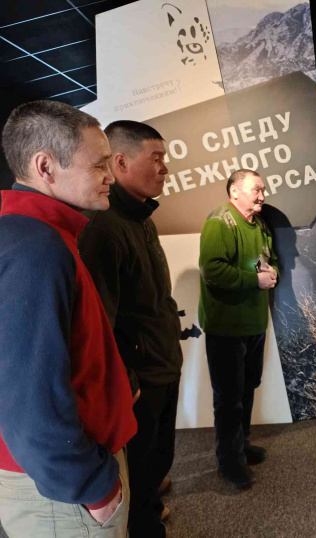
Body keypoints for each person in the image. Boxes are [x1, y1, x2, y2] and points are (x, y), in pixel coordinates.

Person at [0, 101, 137, 536]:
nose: (111, 176)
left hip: (67, 477)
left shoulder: (36, 234)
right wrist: (94, 487)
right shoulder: (34, 248)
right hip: (66, 494)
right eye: (98, 164)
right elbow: (27, 397)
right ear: (45, 166)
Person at [79, 121, 183, 538]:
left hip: (161, 362)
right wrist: (129, 378)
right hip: (141, 377)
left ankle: (150, 510)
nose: (165, 168)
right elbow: (100, 320)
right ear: (121, 162)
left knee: (158, 458)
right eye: (156, 158)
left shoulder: (141, 217)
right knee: (140, 466)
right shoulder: (104, 228)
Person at [198, 169, 278, 489]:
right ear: (234, 192)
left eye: (263, 189)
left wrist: (272, 272)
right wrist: (254, 280)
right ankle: (229, 463)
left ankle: (241, 447)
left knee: (247, 388)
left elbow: (269, 258)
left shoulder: (259, 224)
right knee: (229, 398)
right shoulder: (220, 222)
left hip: (254, 323)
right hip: (227, 328)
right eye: (256, 189)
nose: (262, 196)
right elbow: (212, 270)